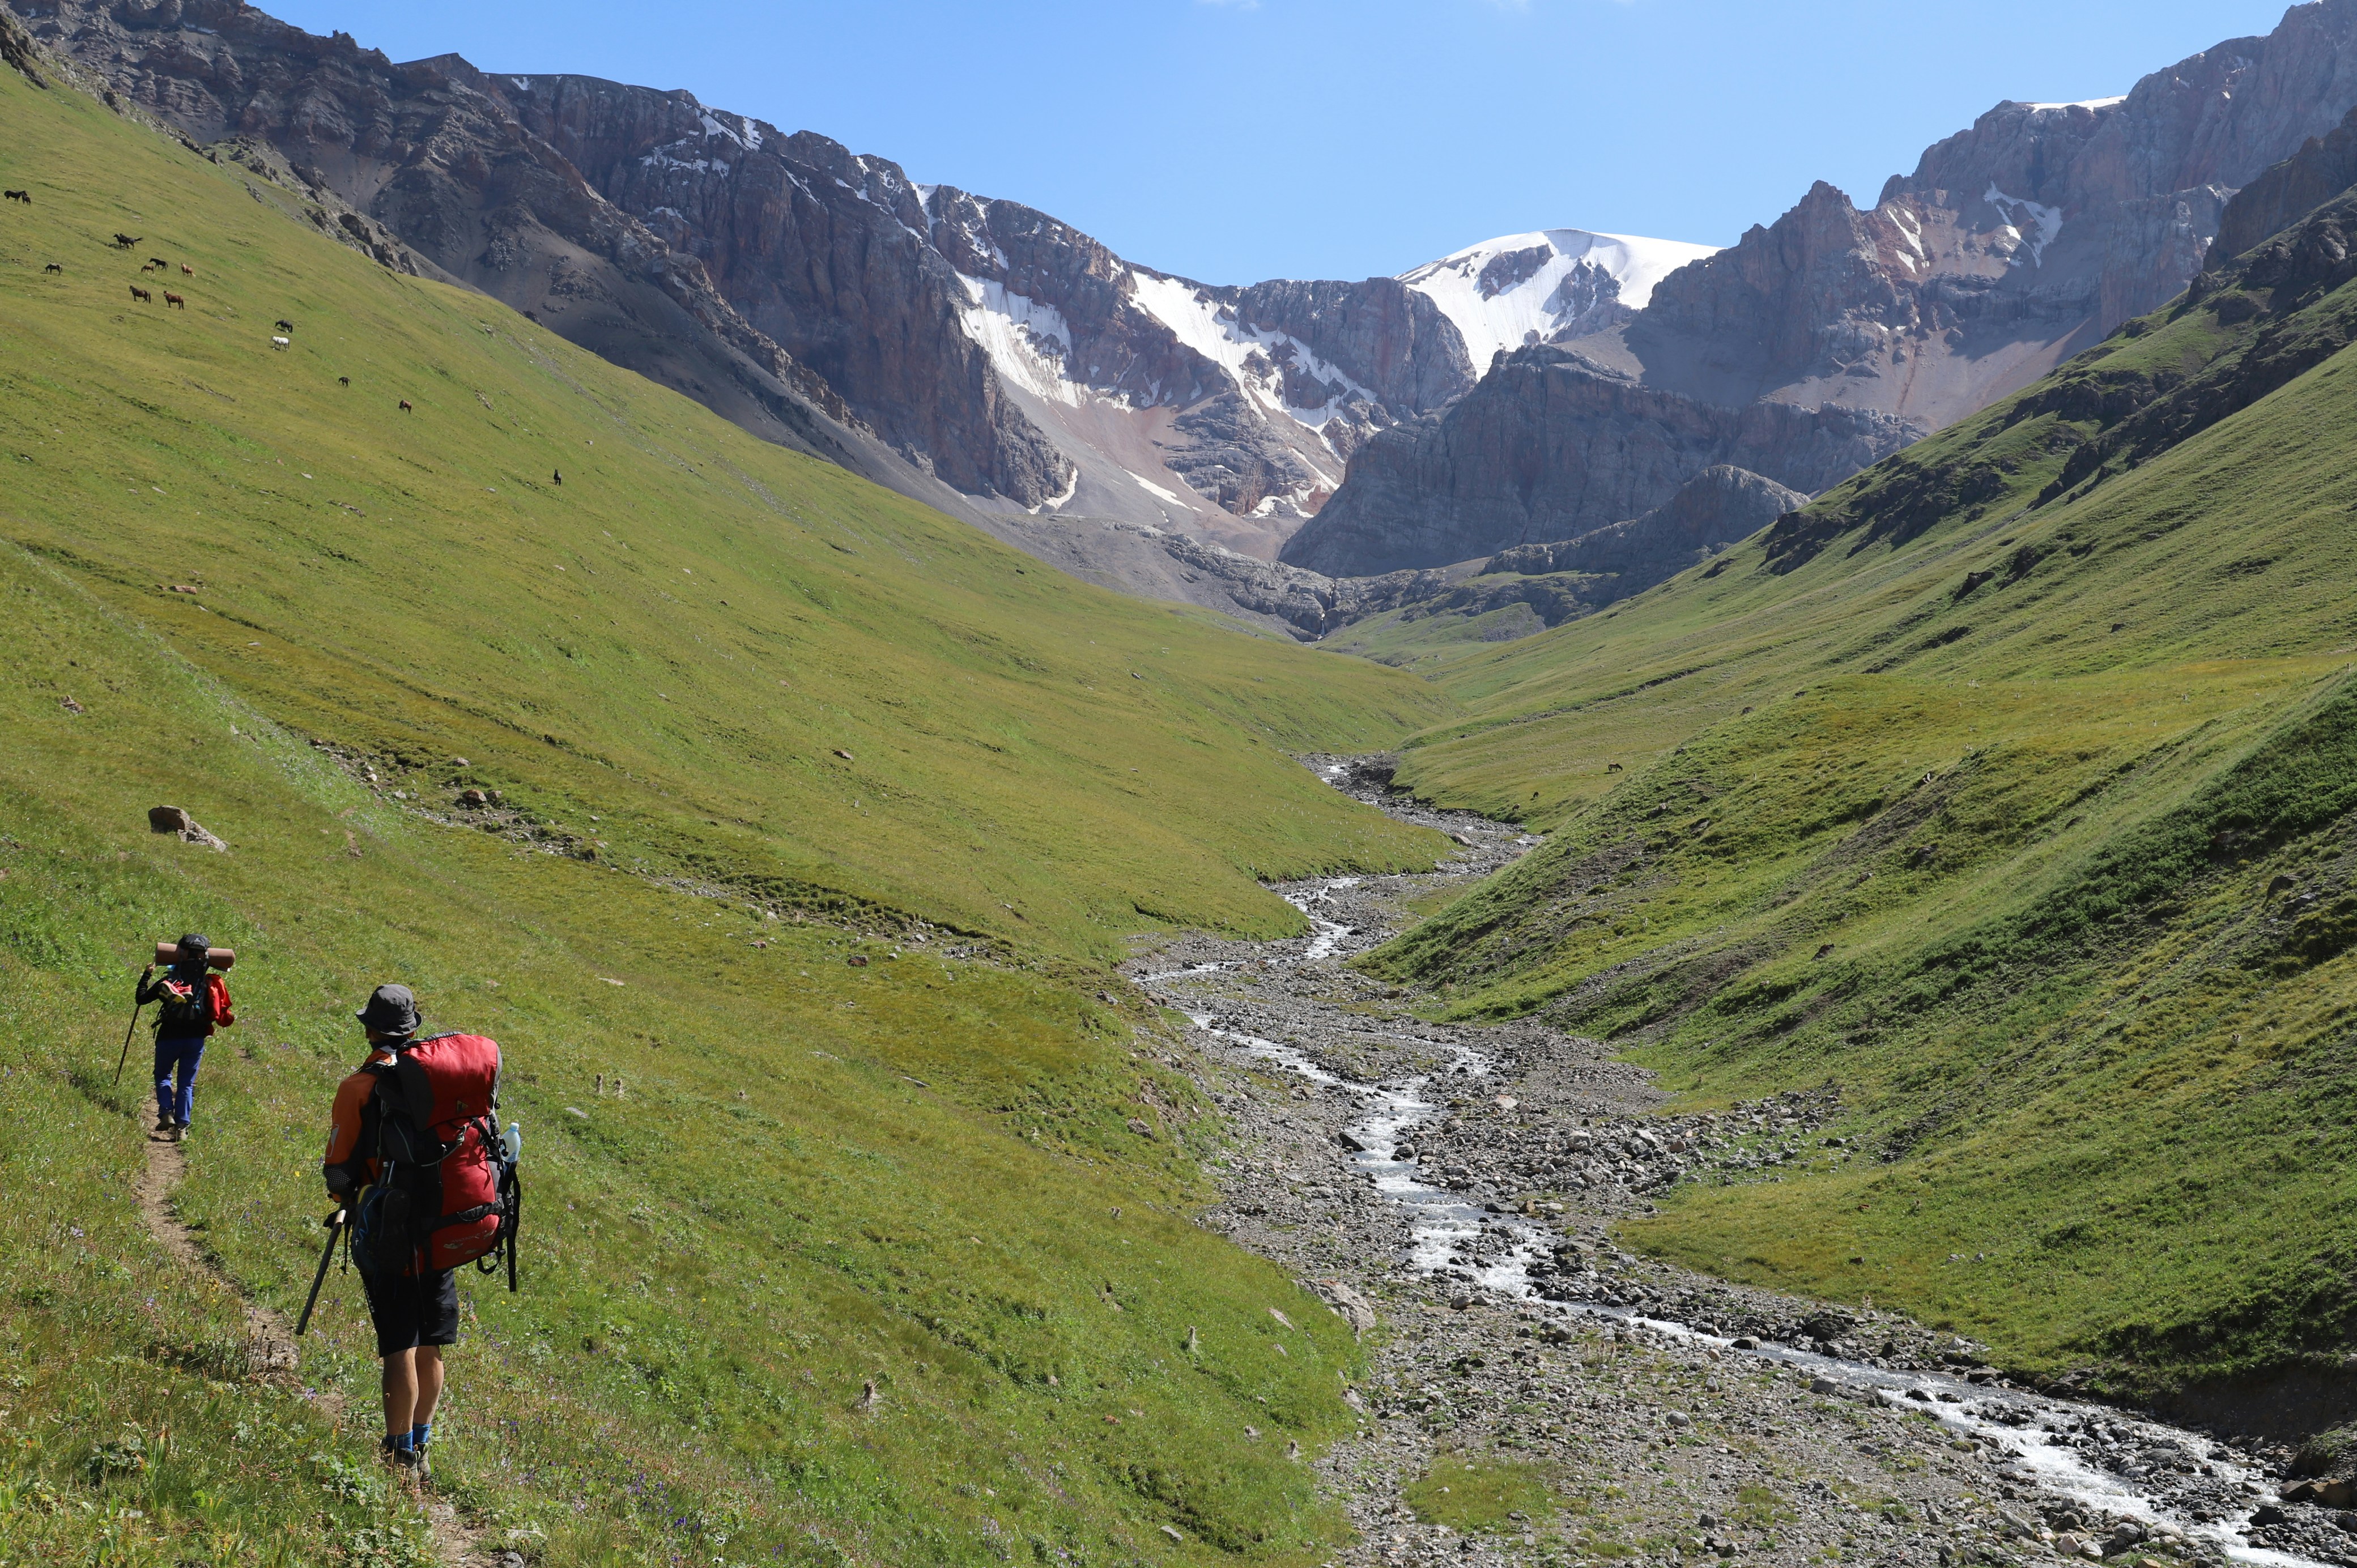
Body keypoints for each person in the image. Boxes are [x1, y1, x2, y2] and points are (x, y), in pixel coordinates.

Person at [321, 983, 457, 1482]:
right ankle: (422, 1444)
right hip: (444, 1225)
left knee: (398, 1342)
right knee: (430, 1343)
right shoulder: (442, 1080)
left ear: (370, 1030)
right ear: (414, 1030)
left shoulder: (359, 1087)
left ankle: (397, 1452)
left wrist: (345, 1201)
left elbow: (339, 1169)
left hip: (390, 1230)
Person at [135, 932, 233, 1142]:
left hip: (168, 1036)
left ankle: (166, 1113)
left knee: (163, 1076)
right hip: (195, 1039)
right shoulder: (210, 982)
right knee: (186, 1084)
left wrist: (146, 975)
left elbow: (141, 999)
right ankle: (182, 1128)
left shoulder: (168, 981)